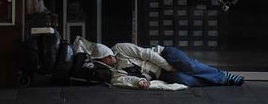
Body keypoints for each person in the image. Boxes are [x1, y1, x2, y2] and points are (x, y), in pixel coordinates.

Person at [91, 42, 244, 89]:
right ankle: (220, 80)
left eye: (103, 59)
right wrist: (139, 81)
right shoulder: (115, 71)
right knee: (186, 81)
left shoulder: (120, 48)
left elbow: (147, 54)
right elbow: (124, 81)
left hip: (163, 55)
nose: (105, 63)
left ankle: (223, 76)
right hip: (159, 73)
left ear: (107, 54)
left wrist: (168, 66)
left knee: (189, 67)